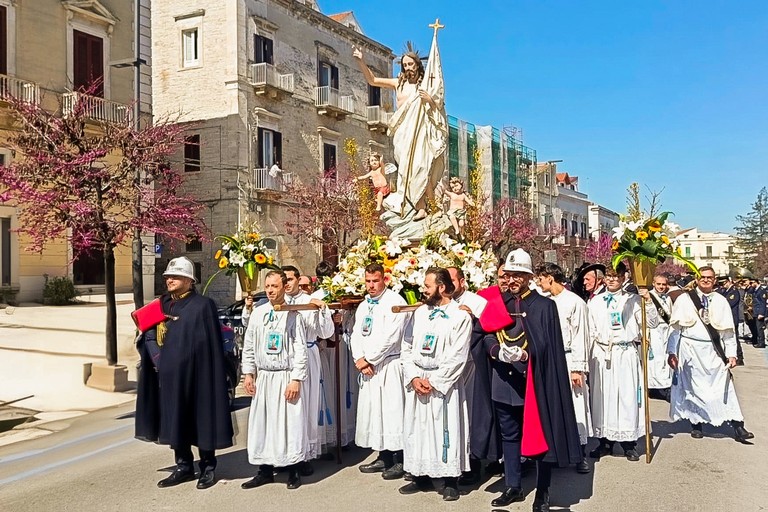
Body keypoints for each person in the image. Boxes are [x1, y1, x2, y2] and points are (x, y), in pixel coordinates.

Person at [475, 249, 581, 511]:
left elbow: (549, 345)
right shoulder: (499, 304)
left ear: (528, 277)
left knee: (539, 436)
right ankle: (513, 486)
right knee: (509, 435)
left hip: (534, 381)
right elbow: (486, 334)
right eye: (508, 275)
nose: (511, 281)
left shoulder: (545, 306)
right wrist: (496, 350)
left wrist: (526, 352)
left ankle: (542, 491)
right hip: (503, 381)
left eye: (517, 275)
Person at [135, 257, 234, 490]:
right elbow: (147, 334)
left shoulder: (203, 305)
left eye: (175, 276)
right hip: (168, 377)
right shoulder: (161, 304)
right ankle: (184, 466)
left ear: (189, 280)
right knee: (174, 418)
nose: (169, 280)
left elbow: (209, 343)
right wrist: (156, 357)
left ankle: (208, 467)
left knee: (200, 418)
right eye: (168, 277)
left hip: (198, 376)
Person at [399, 267, 472, 501]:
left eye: (428, 285)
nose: (423, 289)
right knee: (418, 429)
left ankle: (451, 479)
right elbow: (406, 346)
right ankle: (421, 475)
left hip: (443, 383)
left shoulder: (459, 316)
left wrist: (437, 381)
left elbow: (458, 354)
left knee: (444, 428)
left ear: (441, 287)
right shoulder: (419, 313)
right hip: (419, 377)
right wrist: (413, 377)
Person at [353, 42, 447, 222]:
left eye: (410, 64)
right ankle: (412, 206)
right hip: (402, 133)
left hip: (418, 132)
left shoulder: (425, 86)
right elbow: (373, 80)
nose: (407, 67)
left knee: (420, 167)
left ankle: (423, 208)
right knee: (405, 170)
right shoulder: (398, 83)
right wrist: (361, 61)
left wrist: (430, 100)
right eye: (404, 64)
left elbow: (439, 107)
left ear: (418, 65)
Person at [667, 266, 754, 442]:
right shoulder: (685, 299)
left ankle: (738, 425)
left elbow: (728, 332)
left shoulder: (721, 301)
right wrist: (671, 352)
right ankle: (696, 424)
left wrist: (731, 354)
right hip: (690, 350)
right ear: (697, 279)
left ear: (714, 280)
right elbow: (675, 329)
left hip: (713, 351)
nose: (706, 280)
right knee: (692, 389)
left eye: (709, 277)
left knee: (723, 387)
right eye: (702, 277)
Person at [241, 270, 310, 490]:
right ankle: (265, 470)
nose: (271, 290)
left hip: (285, 376)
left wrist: (296, 379)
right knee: (265, 424)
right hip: (265, 377)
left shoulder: (293, 314)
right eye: (268, 286)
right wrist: (249, 373)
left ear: (283, 287)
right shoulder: (258, 313)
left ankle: (293, 469)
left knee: (289, 424)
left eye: (275, 286)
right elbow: (249, 345)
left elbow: (300, 349)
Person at [587, 262, 657, 462]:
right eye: (608, 276)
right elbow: (590, 330)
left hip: (624, 353)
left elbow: (651, 323)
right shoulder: (595, 301)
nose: (612, 280)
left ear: (624, 278)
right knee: (603, 396)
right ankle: (604, 441)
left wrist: (648, 301)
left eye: (616, 276)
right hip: (602, 353)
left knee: (626, 396)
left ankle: (629, 443)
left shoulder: (633, 300)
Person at [350, 263, 409, 479]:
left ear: (384, 279)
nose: (371, 285)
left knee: (392, 412)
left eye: (375, 281)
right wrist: (359, 358)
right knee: (375, 412)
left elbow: (392, 336)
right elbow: (356, 333)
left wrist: (370, 358)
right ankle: (383, 455)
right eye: (368, 281)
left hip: (388, 365)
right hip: (368, 368)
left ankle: (401, 459)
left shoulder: (395, 302)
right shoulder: (364, 305)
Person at [535, 263, 592, 474]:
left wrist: (577, 368)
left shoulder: (574, 302)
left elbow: (580, 335)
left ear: (550, 278)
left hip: (569, 359)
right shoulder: (543, 301)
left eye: (541, 278)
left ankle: (580, 454)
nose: (538, 283)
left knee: (576, 405)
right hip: (549, 359)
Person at [282, 265, 334, 470]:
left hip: (308, 354)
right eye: (283, 280)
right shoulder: (278, 302)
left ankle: (307, 453)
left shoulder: (308, 301)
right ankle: (288, 450)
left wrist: (322, 309)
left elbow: (326, 331)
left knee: (308, 404)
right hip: (285, 359)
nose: (287, 284)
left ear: (298, 280)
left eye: (290, 279)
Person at [446, 266, 487, 485]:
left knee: (471, 413)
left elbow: (488, 329)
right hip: (447, 368)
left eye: (452, 280)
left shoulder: (477, 301)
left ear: (462, 281)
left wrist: (472, 317)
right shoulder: (442, 303)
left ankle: (473, 461)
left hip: (471, 366)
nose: (448, 284)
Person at [647, 274, 674, 400]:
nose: (661, 287)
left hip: (666, 330)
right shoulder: (649, 296)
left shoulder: (668, 298)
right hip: (654, 330)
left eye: (663, 284)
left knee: (665, 358)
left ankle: (666, 384)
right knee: (655, 359)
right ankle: (656, 387)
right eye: (659, 284)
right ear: (653, 283)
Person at [716, 276, 744, 365]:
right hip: (726, 318)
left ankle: (739, 357)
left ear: (728, 282)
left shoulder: (734, 291)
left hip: (732, 318)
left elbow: (728, 303)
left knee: (734, 338)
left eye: (724, 283)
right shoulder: (725, 291)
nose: (722, 286)